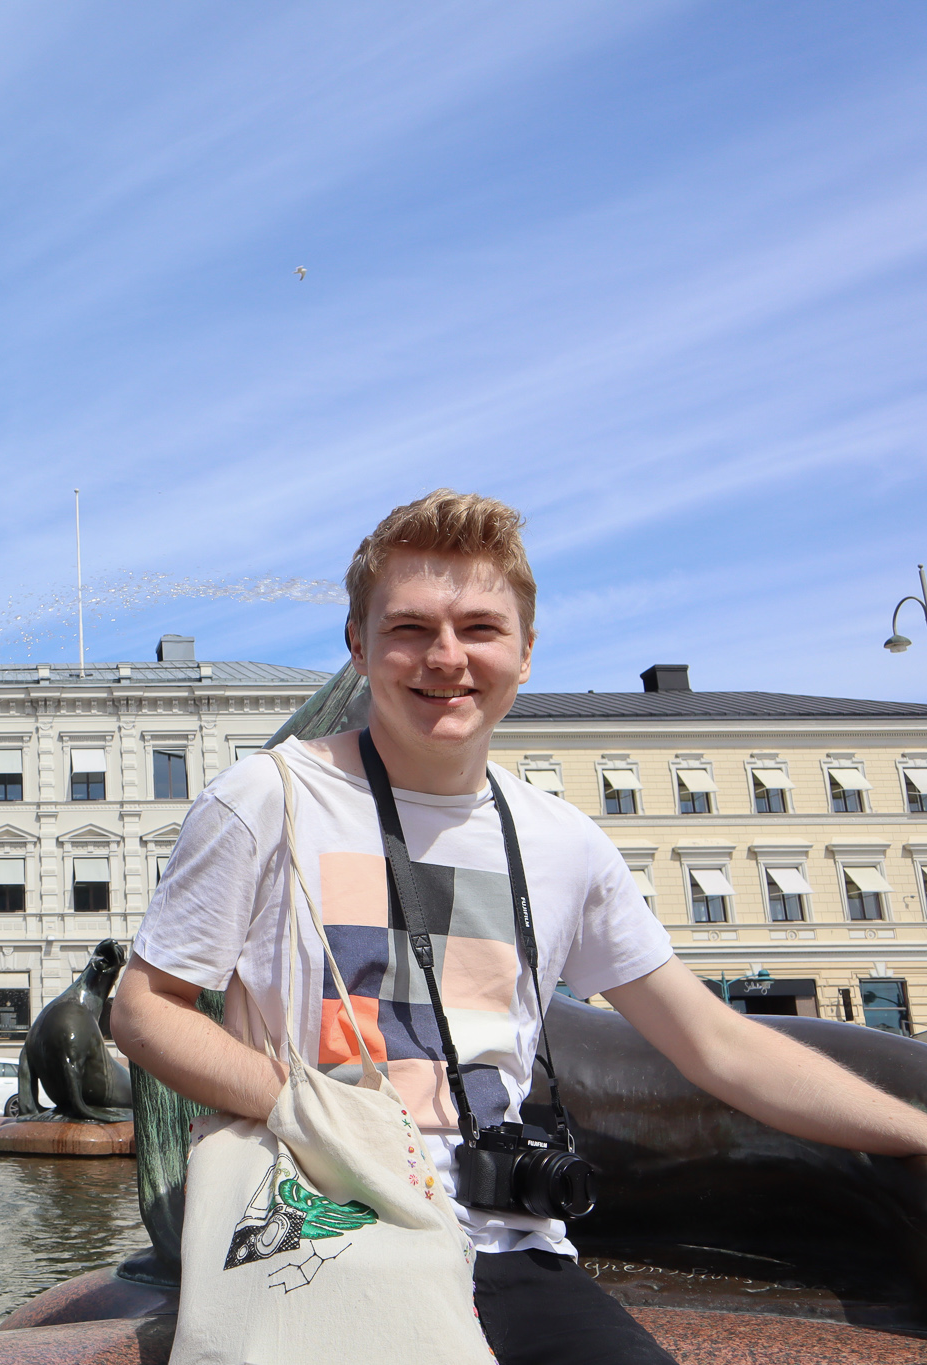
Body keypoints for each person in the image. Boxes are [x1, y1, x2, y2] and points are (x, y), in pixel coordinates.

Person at [112, 490, 927, 1365]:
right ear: (358, 645)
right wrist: (303, 1105)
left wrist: (917, 1131)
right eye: (409, 628)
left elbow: (717, 1043)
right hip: (327, 1222)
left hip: (512, 1243)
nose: (446, 656)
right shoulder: (265, 799)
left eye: (480, 628)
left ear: (527, 650)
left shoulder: (563, 841)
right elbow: (144, 1007)